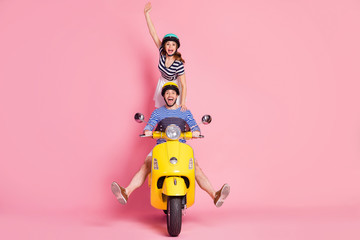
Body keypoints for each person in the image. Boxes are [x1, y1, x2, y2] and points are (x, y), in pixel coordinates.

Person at [111, 83, 230, 207]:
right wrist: (148, 130)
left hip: (181, 148)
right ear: (163, 96)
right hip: (161, 147)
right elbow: (150, 125)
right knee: (147, 164)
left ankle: (214, 195)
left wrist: (195, 132)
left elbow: (195, 126)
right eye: (167, 93)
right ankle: (126, 192)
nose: (170, 95)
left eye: (173, 93)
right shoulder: (158, 112)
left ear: (177, 95)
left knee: (195, 167)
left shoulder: (185, 112)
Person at [144, 2, 188, 111]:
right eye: (168, 44)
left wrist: (182, 103)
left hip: (174, 85)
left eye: (173, 44)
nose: (170, 46)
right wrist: (146, 14)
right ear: (164, 46)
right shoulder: (162, 52)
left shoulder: (178, 63)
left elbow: (183, 84)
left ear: (176, 47)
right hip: (162, 82)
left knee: (174, 111)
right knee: (161, 110)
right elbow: (153, 33)